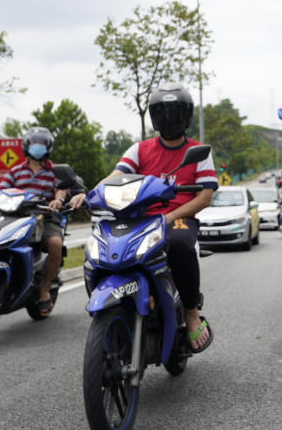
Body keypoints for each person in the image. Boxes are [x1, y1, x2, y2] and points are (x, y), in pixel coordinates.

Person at [69, 83, 217, 352]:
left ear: (187, 116)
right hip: (139, 219)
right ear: (154, 116)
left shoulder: (199, 152)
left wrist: (171, 215)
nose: (170, 119)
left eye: (176, 113)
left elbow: (204, 197)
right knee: (102, 250)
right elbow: (115, 177)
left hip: (177, 218)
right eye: (164, 112)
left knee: (181, 245)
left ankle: (192, 314)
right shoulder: (139, 150)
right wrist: (90, 194)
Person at [0, 126, 69, 316]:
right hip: (14, 218)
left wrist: (58, 200)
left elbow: (61, 189)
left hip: (44, 218)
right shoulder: (16, 170)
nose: (37, 147)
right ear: (26, 146)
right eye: (34, 143)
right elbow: (0, 190)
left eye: (42, 143)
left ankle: (44, 289)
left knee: (56, 244)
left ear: (48, 147)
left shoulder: (54, 171)